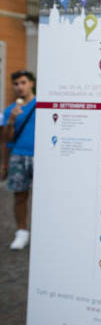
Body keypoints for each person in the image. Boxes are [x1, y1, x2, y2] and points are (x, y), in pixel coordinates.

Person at [2, 70, 37, 250]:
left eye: (23, 82)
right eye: (16, 84)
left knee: (44, 197)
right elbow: (6, 139)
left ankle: (45, 231)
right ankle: (21, 232)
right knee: (20, 196)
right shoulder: (9, 110)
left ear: (31, 83)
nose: (20, 87)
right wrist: (12, 120)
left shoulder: (42, 105)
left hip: (40, 156)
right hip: (17, 155)